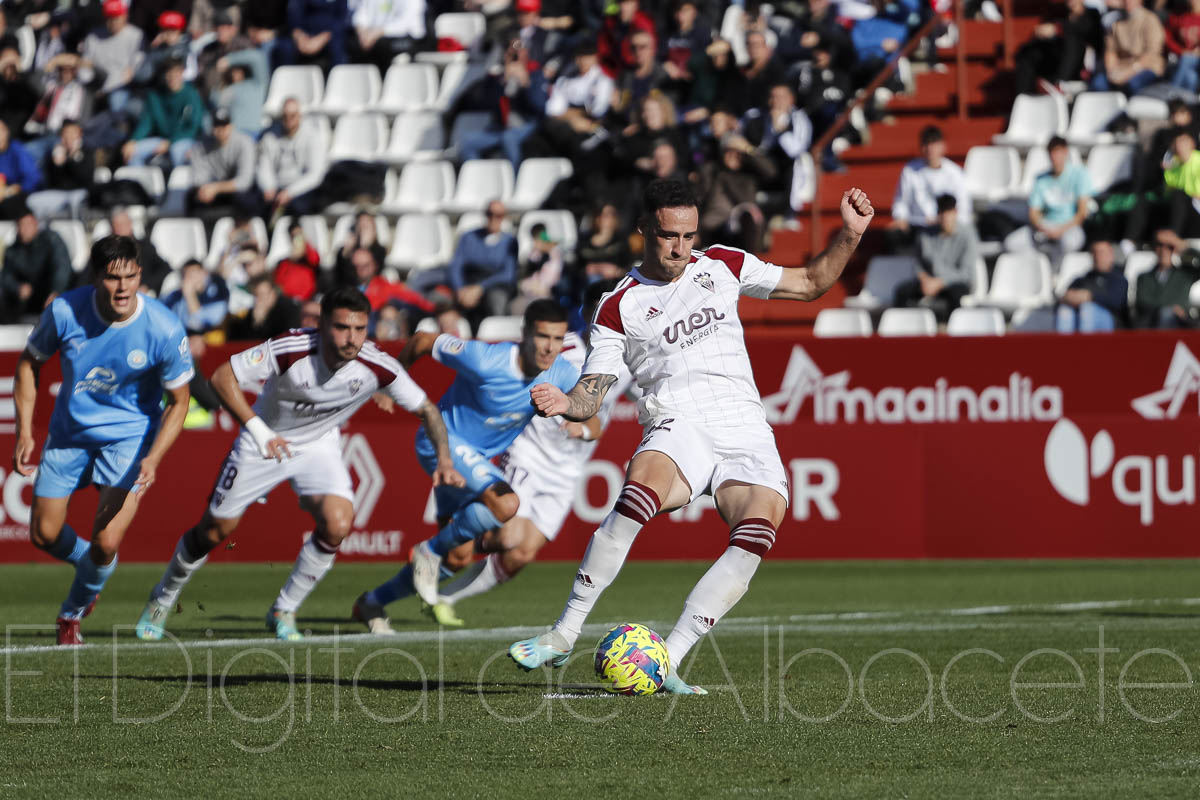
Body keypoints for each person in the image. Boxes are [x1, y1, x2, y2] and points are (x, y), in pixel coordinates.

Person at [507, 178, 875, 694]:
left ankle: (669, 660)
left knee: (759, 530)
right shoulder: (620, 306)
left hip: (745, 425)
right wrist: (569, 403)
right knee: (639, 491)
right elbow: (594, 387)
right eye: (667, 235)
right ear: (644, 230)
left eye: (688, 234)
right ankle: (565, 631)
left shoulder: (721, 264)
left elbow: (811, 282)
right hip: (678, 419)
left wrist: (850, 235)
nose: (680, 247)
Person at [134, 286, 461, 641]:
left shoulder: (377, 365)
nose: (351, 339)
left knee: (338, 523)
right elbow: (221, 378)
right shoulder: (291, 347)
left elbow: (427, 408)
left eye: (359, 329)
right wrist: (260, 433)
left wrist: (444, 458)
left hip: (318, 445)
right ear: (321, 325)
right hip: (262, 440)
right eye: (341, 327)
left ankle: (283, 610)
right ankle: (161, 599)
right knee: (216, 531)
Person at [353, 299, 579, 632]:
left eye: (557, 339)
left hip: (471, 463)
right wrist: (391, 387)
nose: (549, 347)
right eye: (543, 337)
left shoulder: (563, 371)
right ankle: (427, 552)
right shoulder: (486, 359)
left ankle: (371, 603)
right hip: (438, 442)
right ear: (525, 334)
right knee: (507, 503)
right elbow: (420, 341)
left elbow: (587, 407)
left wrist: (578, 417)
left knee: (458, 556)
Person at [14, 235, 193, 645]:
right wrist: (25, 430)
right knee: (43, 534)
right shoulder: (64, 312)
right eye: (114, 278)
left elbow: (179, 402)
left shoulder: (163, 327)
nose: (124, 287)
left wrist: (154, 458)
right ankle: (90, 567)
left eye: (131, 276)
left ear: (140, 276)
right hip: (69, 434)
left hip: (130, 439)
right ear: (97, 277)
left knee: (106, 540)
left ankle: (71, 614)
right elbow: (29, 364)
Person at [428, 281, 635, 627]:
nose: (612, 321)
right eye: (603, 313)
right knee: (507, 535)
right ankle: (439, 551)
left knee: (521, 554)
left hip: (568, 468)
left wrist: (582, 428)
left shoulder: (628, 358)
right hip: (529, 451)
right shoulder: (562, 350)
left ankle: (444, 597)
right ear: (586, 315)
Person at [409, 199, 518, 327]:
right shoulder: (469, 237)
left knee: (497, 299)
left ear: (504, 217)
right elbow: (456, 265)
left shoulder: (510, 242)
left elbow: (507, 274)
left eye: (498, 215)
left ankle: (498, 336)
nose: (493, 218)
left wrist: (480, 288)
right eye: (490, 214)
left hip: (493, 286)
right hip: (466, 284)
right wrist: (460, 289)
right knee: (435, 297)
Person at [1004, 135, 1091, 265]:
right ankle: (1038, 267)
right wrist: (1043, 227)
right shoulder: (1041, 179)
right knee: (1011, 244)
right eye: (1052, 152)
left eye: (1059, 152)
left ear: (1066, 152)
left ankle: (1056, 273)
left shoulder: (1079, 175)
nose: (1055, 157)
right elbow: (1034, 213)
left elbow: (1082, 212)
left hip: (1069, 228)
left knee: (1068, 243)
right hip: (1046, 227)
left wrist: (1060, 230)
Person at [894, 194, 979, 322]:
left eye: (948, 213)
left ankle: (952, 332)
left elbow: (966, 273)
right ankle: (903, 327)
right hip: (929, 281)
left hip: (953, 283)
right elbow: (918, 263)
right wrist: (924, 278)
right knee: (902, 292)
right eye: (942, 213)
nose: (945, 218)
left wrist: (940, 282)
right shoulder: (926, 235)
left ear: (955, 213)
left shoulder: (968, 236)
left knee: (956, 294)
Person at [888, 125, 971, 251]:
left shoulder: (955, 173)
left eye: (934, 143)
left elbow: (964, 209)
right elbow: (900, 202)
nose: (930, 148)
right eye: (926, 144)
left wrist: (945, 221)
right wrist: (900, 218)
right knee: (893, 234)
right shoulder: (910, 170)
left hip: (944, 227)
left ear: (943, 146)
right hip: (917, 225)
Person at [122, 58, 205, 168]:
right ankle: (139, 183)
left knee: (176, 151)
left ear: (182, 73)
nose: (172, 77)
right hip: (162, 140)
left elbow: (193, 128)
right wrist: (133, 140)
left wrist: (170, 142)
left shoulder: (192, 94)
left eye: (176, 72)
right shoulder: (155, 95)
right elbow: (146, 123)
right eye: (169, 73)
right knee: (132, 152)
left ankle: (178, 185)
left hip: (184, 140)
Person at [257, 97, 327, 217]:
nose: (289, 120)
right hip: (277, 187)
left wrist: (290, 192)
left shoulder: (312, 137)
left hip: (301, 189)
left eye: (293, 115)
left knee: (301, 206)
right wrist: (268, 187)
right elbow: (263, 166)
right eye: (285, 116)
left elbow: (315, 175)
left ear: (300, 116)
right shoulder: (269, 136)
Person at [1014, 0, 1103, 94]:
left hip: (1081, 65)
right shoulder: (1060, 13)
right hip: (1057, 60)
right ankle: (1025, 95)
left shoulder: (1092, 13)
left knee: (1073, 39)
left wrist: (1057, 29)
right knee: (1029, 52)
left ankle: (1060, 83)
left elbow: (1085, 28)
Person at [187, 107, 258, 225]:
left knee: (245, 199)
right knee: (191, 197)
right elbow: (198, 178)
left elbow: (244, 182)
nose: (221, 130)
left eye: (224, 125)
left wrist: (216, 188)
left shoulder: (244, 143)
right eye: (217, 126)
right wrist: (205, 189)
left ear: (231, 126)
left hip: (236, 193)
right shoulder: (201, 145)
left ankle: (240, 228)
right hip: (214, 192)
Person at [0, 208, 72, 320]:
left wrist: (56, 292)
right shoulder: (12, 250)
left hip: (51, 294)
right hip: (25, 301)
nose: (23, 230)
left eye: (27, 225)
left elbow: (62, 267)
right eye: (20, 226)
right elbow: (6, 275)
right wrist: (17, 287)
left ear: (35, 224)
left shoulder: (51, 240)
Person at [79, 0, 144, 114]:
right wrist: (92, 85)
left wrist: (106, 89)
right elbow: (84, 66)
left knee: (117, 99)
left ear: (125, 16)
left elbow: (133, 70)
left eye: (117, 17)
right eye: (110, 17)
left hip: (119, 86)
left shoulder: (136, 35)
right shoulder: (93, 36)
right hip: (95, 84)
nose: (113, 22)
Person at [26, 120, 93, 220]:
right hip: (59, 193)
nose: (69, 137)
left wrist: (73, 158)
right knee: (32, 201)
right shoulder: (55, 153)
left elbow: (87, 179)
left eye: (72, 133)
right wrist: (57, 165)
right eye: (66, 133)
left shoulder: (86, 151)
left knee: (75, 203)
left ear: (79, 134)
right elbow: (50, 182)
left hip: (79, 192)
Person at [1056, 240, 1128, 333]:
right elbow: (1065, 295)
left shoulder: (1118, 278)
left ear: (1111, 255)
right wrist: (1067, 298)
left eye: (1102, 252)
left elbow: (1116, 301)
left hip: (1110, 322)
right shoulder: (1083, 278)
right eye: (1095, 252)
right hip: (1078, 318)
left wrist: (1089, 296)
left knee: (1088, 309)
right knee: (1065, 310)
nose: (1098, 256)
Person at [1094, 0, 1164, 94]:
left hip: (1146, 68)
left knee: (1133, 85)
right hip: (1122, 68)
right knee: (1098, 84)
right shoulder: (1116, 22)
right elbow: (1110, 51)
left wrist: (1129, 72)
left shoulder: (1150, 19)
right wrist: (1112, 72)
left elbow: (1151, 53)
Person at [1134, 230, 1196, 329]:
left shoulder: (1185, 275)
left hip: (1180, 326)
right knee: (1165, 313)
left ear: (1174, 249)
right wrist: (1171, 308)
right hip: (1153, 325)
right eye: (1160, 245)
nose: (1164, 250)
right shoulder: (1144, 278)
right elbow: (1143, 303)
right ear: (1155, 248)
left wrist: (1184, 246)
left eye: (1169, 246)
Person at [162, 259, 231, 335]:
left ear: (204, 273)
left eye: (193, 273)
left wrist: (189, 293)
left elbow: (195, 321)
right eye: (186, 275)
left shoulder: (219, 293)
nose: (190, 279)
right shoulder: (177, 295)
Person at [0, 119, 43, 218]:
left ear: (7, 132)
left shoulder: (17, 150)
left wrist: (15, 189)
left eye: (1, 130)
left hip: (19, 196)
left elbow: (33, 178)